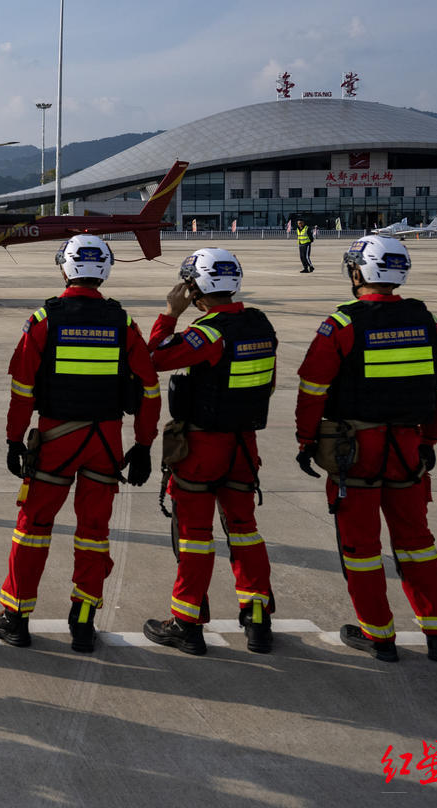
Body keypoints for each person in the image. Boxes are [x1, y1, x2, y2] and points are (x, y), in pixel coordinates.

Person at [0, 235, 160, 653]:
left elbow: (23, 389)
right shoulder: (123, 323)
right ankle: (83, 622)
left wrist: (12, 439)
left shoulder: (45, 319)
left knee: (33, 528)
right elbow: (149, 390)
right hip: (105, 440)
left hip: (57, 440)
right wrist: (145, 444)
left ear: (65, 268)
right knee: (94, 532)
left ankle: (16, 617)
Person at [294, 235, 437, 663]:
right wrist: (429, 439)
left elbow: (313, 388)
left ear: (358, 273)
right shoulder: (433, 323)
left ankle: (379, 635)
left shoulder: (343, 325)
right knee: (417, 542)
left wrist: (307, 440)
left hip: (356, 452)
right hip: (408, 447)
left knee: (361, 547)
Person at [144, 248, 277, 656]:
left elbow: (155, 357)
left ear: (195, 286)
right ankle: (257, 618)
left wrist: (170, 312)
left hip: (203, 447)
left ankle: (186, 623)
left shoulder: (209, 332)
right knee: (244, 530)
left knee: (195, 537)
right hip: (243, 445)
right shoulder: (260, 324)